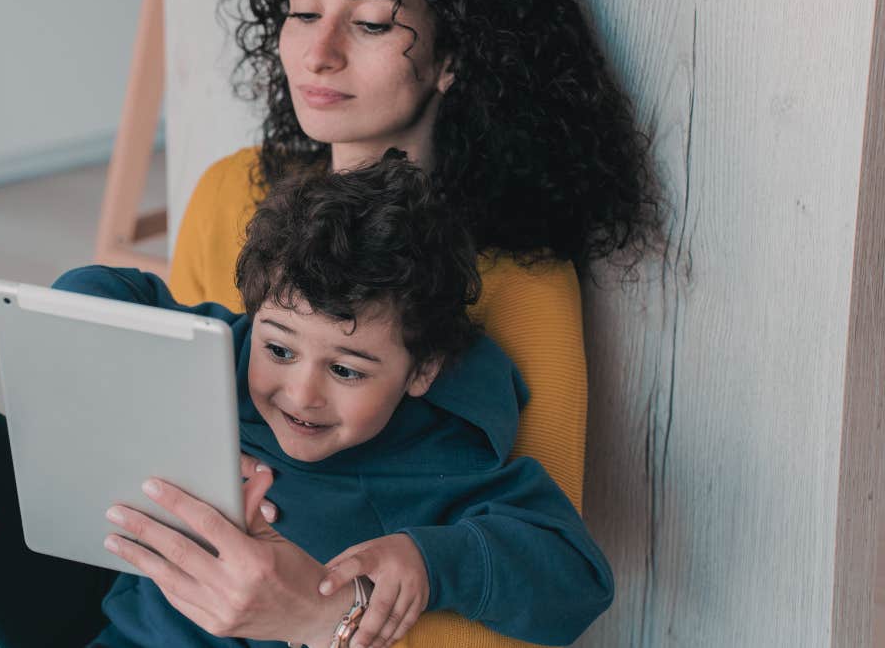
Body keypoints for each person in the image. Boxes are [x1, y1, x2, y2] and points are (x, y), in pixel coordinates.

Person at [0, 0, 661, 646]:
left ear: (450, 57)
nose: (317, 53)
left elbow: (529, 607)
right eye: (302, 9)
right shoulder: (239, 193)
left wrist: (317, 611)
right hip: (144, 600)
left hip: (287, 626)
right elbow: (162, 343)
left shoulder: (515, 285)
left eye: (368, 21)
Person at [87, 153, 613, 647]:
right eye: (280, 349)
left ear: (422, 370)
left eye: (345, 370)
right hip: (122, 621)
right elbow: (103, 292)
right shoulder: (228, 354)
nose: (300, 394)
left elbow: (577, 577)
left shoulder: (441, 458)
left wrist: (429, 563)